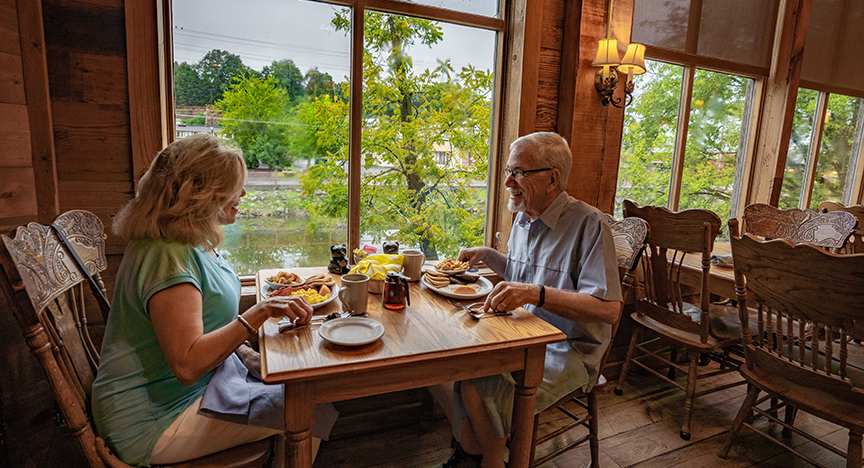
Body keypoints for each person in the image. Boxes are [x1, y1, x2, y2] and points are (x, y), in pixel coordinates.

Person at [91, 134, 333, 466]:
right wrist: (260, 311)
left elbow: (206, 323)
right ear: (201, 194)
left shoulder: (188, 242)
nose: (243, 194)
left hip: (193, 390)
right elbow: (187, 365)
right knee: (307, 408)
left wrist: (253, 343)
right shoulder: (166, 255)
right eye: (235, 187)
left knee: (302, 391)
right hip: (152, 419)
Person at [442, 132, 623, 468]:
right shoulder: (525, 219)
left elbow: (610, 310)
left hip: (569, 350)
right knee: (461, 364)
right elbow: (522, 274)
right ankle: (470, 456)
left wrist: (535, 294)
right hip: (523, 334)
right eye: (509, 171)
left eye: (519, 173)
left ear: (552, 178)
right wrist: (488, 255)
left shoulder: (589, 223)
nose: (508, 182)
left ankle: (489, 461)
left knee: (478, 380)